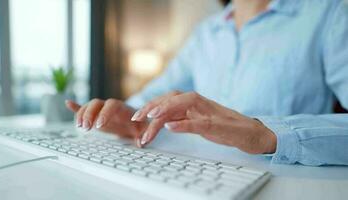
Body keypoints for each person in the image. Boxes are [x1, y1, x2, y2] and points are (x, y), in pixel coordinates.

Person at [66, 0, 348, 166]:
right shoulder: (206, 33)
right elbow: (152, 96)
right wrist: (130, 116)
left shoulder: (330, 13)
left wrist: (266, 135)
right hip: (198, 175)